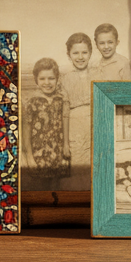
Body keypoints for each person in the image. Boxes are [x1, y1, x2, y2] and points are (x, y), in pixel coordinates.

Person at [23, 58, 70, 188]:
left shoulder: (60, 99)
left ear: (57, 79)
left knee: (56, 187)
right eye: (42, 79)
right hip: (38, 154)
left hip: (57, 152)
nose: (47, 83)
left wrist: (66, 145)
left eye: (51, 78)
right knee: (40, 188)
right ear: (36, 80)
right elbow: (26, 130)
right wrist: (30, 157)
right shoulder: (32, 101)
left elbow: (65, 121)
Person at [61, 32, 94, 177]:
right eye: (75, 53)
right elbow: (65, 113)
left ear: (90, 53)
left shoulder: (99, 74)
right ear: (69, 55)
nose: (80, 57)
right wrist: (66, 143)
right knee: (79, 171)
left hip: (95, 127)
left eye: (84, 52)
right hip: (75, 131)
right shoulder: (65, 79)